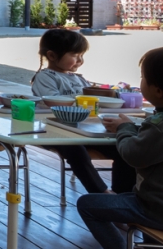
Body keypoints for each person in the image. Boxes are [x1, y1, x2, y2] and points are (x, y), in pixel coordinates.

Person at [77, 46, 163, 249]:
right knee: (150, 194)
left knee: (88, 204)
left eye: (143, 78)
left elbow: (131, 154)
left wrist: (125, 127)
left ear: (158, 90)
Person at [30, 29, 135, 195]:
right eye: (75, 55)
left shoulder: (78, 78)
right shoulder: (45, 77)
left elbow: (92, 99)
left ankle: (123, 195)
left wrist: (109, 94)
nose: (80, 60)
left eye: (82, 55)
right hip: (54, 131)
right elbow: (53, 101)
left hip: (82, 130)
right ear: (51, 55)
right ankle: (101, 193)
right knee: (75, 149)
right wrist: (84, 98)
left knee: (122, 148)